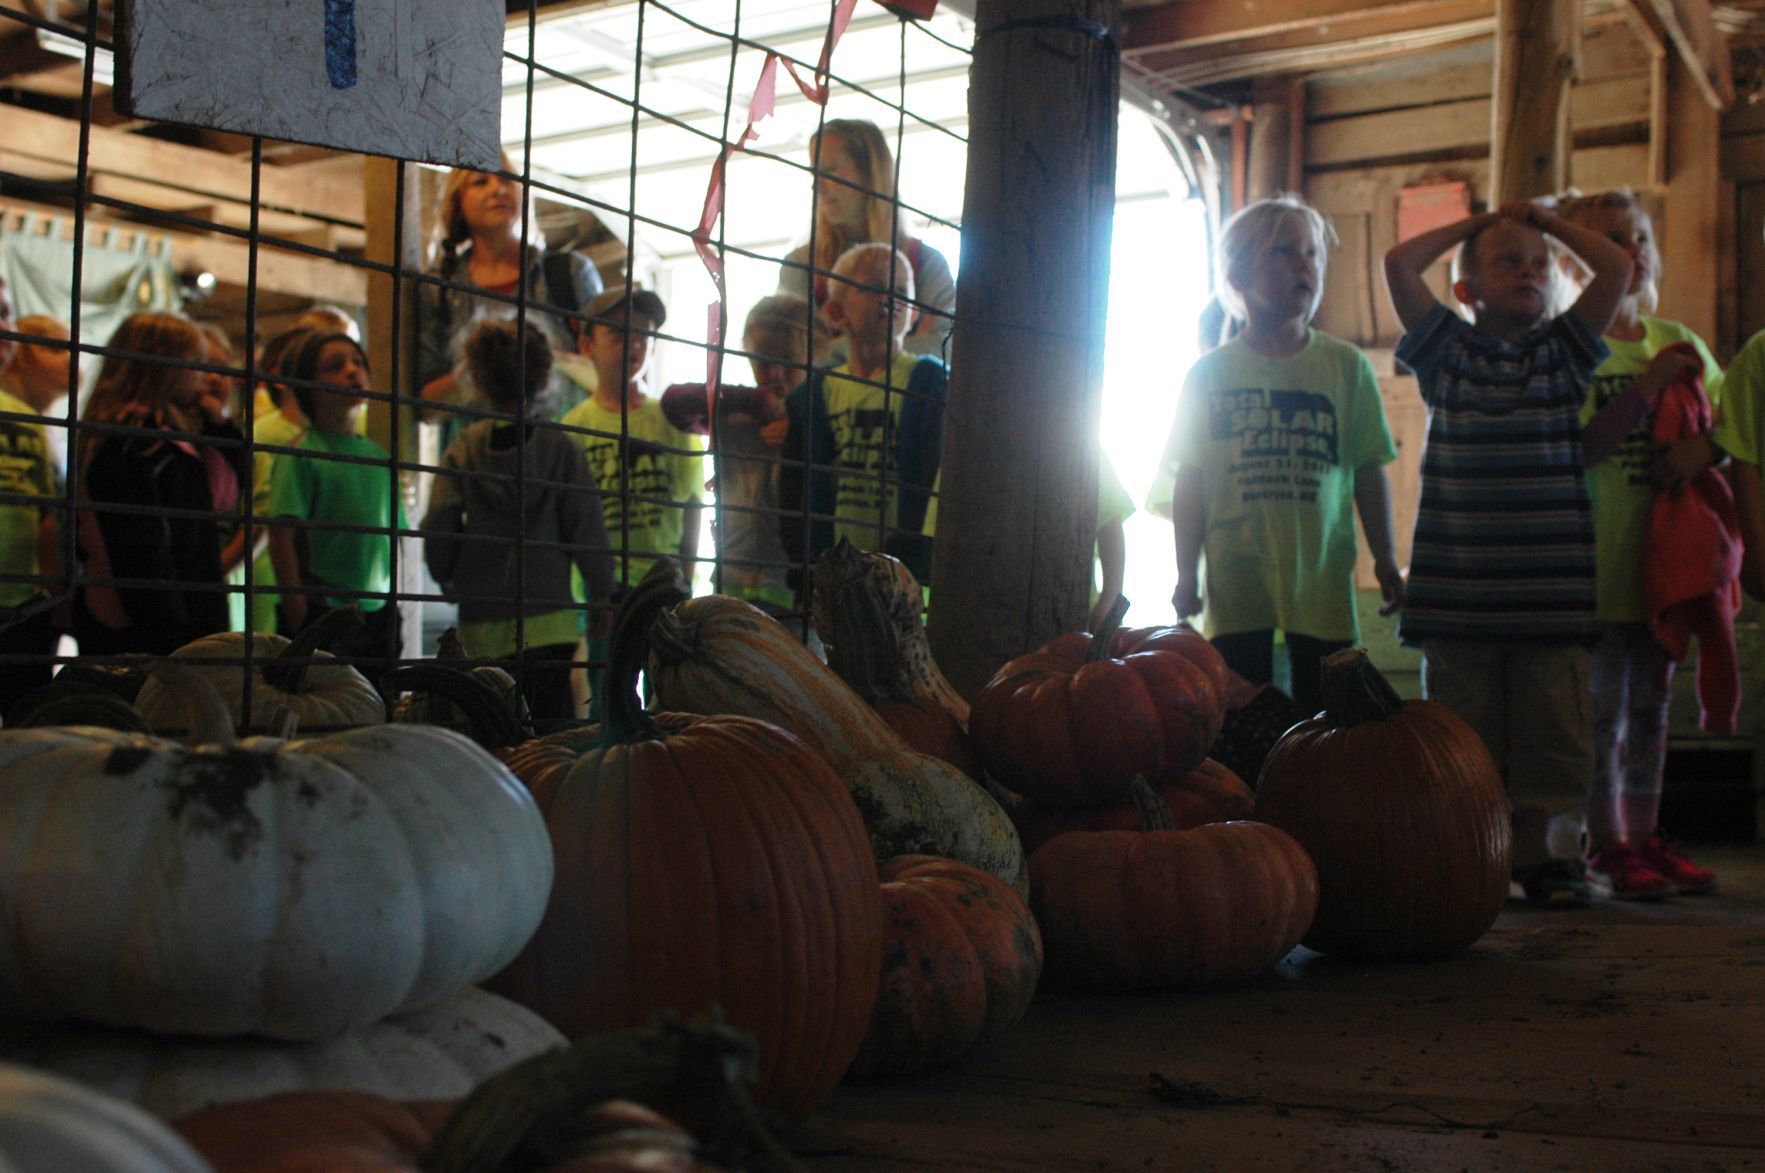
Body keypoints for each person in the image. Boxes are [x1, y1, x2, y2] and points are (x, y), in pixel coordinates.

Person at [1384, 197, 1637, 908]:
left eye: (1538, 265)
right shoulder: (1444, 351)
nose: (1528, 271)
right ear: (1466, 289)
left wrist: (1547, 224)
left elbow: (1615, 266)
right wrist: (1475, 224)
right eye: (1507, 262)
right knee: (1464, 750)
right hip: (1458, 598)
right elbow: (1398, 262)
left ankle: (1551, 861)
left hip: (1549, 600)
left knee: (1555, 743)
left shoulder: (1563, 351)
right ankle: (1474, 859)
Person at [1161, 195, 1402, 716]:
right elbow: (1192, 481)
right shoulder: (1208, 375)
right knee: (1243, 720)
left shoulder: (1346, 367)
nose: (1304, 264)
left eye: (1312, 253)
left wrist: (1386, 559)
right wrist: (1186, 573)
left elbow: (1366, 469)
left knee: (1332, 723)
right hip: (1235, 581)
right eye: (1284, 252)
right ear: (1239, 276)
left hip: (1321, 583)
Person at [1556, 188, 1726, 900]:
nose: (1632, 250)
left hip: (1661, 568)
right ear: (1577, 261)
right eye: (1612, 239)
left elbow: (1729, 430)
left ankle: (1645, 833)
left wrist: (1701, 451)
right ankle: (1605, 843)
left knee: (1652, 708)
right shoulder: (1572, 348)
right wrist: (1643, 390)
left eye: (1640, 237)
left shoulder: (1676, 338)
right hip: (1595, 567)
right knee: (1598, 715)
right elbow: (1580, 447)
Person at [422, 319, 616, 722]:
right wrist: (601, 594)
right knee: (550, 737)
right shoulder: (561, 448)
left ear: (477, 378)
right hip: (552, 623)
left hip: (482, 622)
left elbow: (440, 522)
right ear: (545, 377)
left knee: (493, 733)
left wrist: (449, 578)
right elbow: (586, 525)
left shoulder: (464, 449)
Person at [559, 286, 704, 715]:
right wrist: (590, 593)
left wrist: (688, 576)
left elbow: (693, 505)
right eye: (619, 334)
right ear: (587, 345)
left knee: (672, 695)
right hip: (605, 589)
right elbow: (568, 519)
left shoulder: (672, 422)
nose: (634, 345)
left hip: (664, 581)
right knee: (608, 698)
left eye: (643, 335)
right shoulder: (572, 428)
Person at [71, 311, 249, 656]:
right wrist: (171, 632)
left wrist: (218, 425)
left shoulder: (164, 435)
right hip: (141, 626)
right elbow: (139, 544)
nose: (205, 376)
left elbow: (224, 496)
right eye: (195, 362)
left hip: (176, 613)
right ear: (162, 366)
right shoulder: (135, 439)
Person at [779, 243, 947, 592]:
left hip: (908, 580)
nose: (889, 298)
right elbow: (793, 495)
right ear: (837, 312)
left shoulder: (933, 385)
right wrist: (807, 569)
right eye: (873, 288)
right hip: (835, 577)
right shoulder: (813, 397)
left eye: (900, 291)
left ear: (913, 313)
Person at [661, 293, 822, 615]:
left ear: (810, 355)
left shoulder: (819, 418)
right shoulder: (736, 412)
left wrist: (800, 432)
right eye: (762, 361)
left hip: (790, 594)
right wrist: (755, 402)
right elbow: (674, 402)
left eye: (787, 360)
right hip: (730, 586)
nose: (774, 373)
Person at [417, 159, 602, 435]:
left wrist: (544, 358)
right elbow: (424, 406)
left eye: (507, 179)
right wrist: (484, 367)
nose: (498, 189)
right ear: (458, 203)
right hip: (478, 460)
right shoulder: (439, 289)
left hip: (563, 450)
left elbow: (609, 374)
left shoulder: (568, 273)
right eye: (481, 182)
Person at [267, 331, 406, 672]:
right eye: (334, 366)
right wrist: (299, 611)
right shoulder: (301, 453)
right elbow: (281, 534)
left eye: (358, 362)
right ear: (307, 386)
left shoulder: (380, 458)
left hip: (378, 615)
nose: (351, 371)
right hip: (324, 613)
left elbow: (395, 538)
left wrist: (395, 603)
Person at [778, 119, 955, 364]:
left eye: (829, 171)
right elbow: (791, 358)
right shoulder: (799, 264)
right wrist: (903, 347)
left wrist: (838, 348)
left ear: (872, 172)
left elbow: (948, 349)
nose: (815, 186)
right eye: (813, 173)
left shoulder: (927, 263)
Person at [0, 289, 64, 714]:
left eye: (6, 313)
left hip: (20, 605)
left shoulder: (24, 418)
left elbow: (45, 515)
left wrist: (50, 596)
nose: (4, 327)